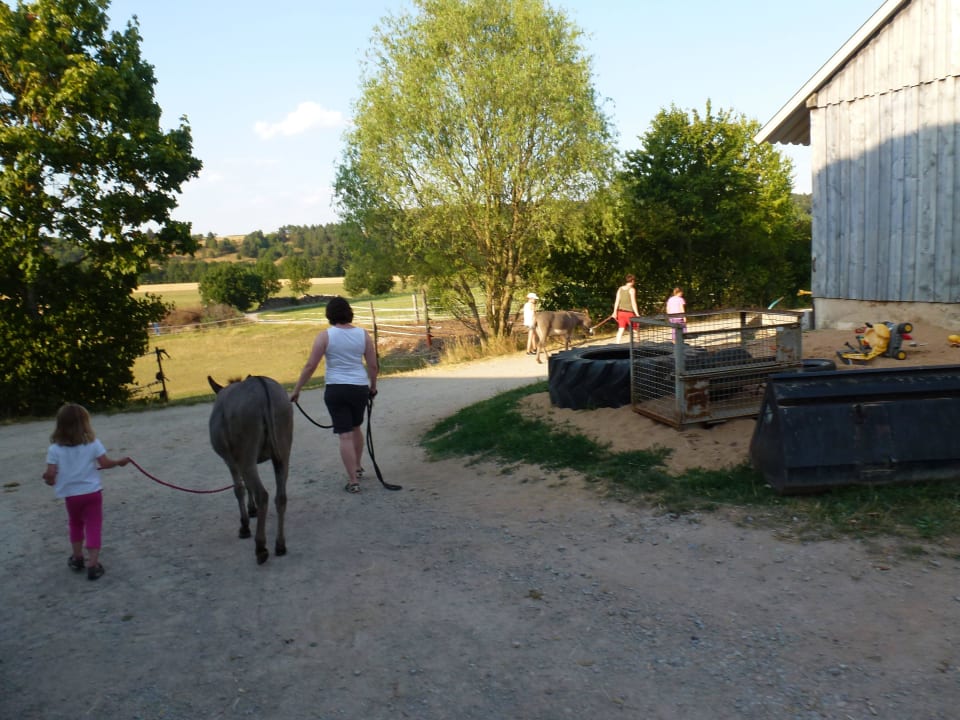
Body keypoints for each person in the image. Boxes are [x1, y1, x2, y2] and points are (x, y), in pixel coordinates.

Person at [290, 296, 378, 494]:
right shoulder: (363, 335)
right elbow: (372, 365)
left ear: (329, 314)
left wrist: (297, 390)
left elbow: (310, 366)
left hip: (336, 389)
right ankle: (357, 467)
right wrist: (373, 387)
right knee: (356, 427)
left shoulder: (324, 336)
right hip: (358, 388)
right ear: (349, 312)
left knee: (344, 435)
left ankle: (353, 481)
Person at [42, 403, 130, 581]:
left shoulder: (54, 449)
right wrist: (119, 462)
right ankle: (93, 564)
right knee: (93, 525)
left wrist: (49, 479)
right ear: (85, 423)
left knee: (75, 523)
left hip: (71, 495)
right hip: (92, 493)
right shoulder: (93, 444)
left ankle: (77, 558)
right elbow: (105, 463)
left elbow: (50, 475)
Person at [613, 274, 640, 343]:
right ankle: (637, 343)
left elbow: (617, 301)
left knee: (621, 329)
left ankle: (617, 344)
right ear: (632, 281)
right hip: (629, 313)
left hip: (620, 312)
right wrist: (637, 314)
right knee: (634, 329)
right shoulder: (632, 289)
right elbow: (633, 303)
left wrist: (614, 312)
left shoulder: (620, 289)